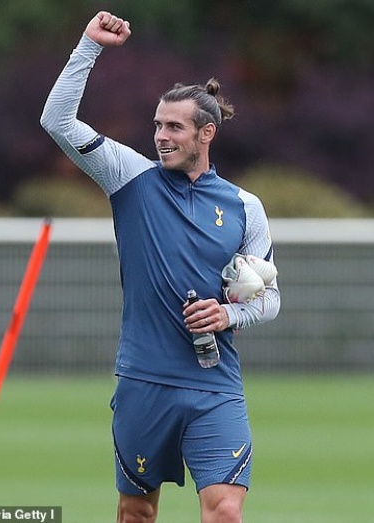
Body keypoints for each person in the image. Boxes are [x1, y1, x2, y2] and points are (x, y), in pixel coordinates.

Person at [40, 11, 280, 523]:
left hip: (215, 384)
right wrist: (88, 46)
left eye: (174, 126)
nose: (161, 136)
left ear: (206, 133)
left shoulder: (246, 207)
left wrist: (229, 315)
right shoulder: (130, 176)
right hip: (144, 381)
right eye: (157, 125)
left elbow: (270, 299)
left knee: (225, 512)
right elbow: (57, 121)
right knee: (137, 514)